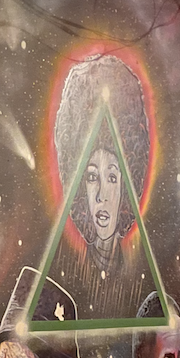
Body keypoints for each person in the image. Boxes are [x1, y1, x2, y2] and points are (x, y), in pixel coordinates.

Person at [52, 53, 154, 322]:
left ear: (127, 185)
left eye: (112, 177)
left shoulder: (139, 283)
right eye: (91, 177)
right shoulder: (67, 283)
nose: (101, 195)